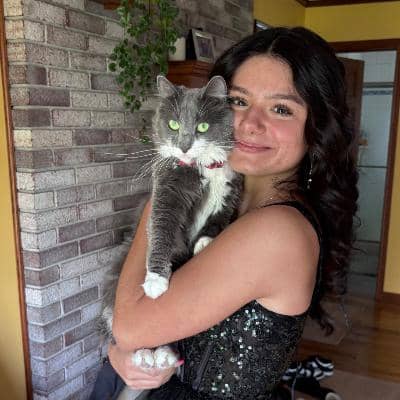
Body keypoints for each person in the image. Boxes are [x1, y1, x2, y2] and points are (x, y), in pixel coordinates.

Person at [91, 26, 358, 400]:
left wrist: (161, 195)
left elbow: (131, 325)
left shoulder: (277, 231)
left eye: (281, 109)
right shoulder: (228, 200)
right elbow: (137, 327)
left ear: (316, 129)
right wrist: (122, 352)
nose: (249, 124)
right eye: (238, 101)